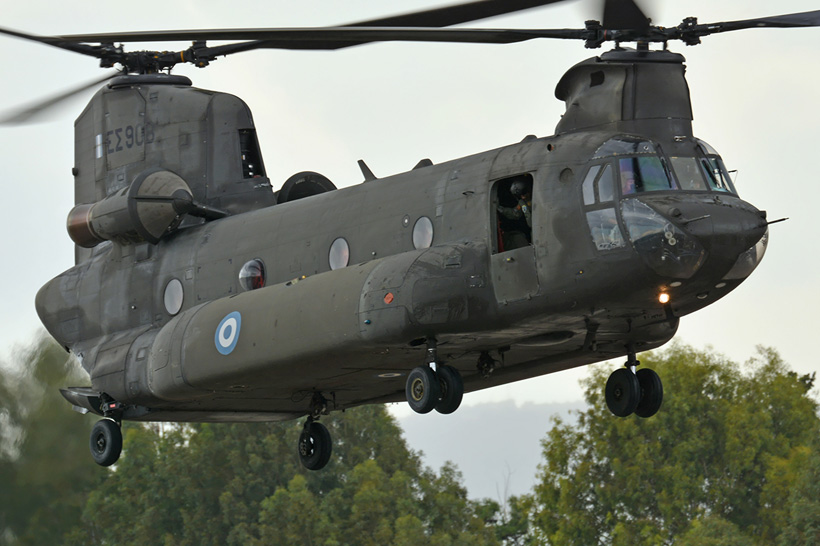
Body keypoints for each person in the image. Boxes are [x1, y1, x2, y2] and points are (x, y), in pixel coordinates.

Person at [497, 179, 533, 250]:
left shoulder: (537, 198)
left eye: (524, 194)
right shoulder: (522, 202)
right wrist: (501, 209)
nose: (523, 197)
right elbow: (515, 213)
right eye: (520, 196)